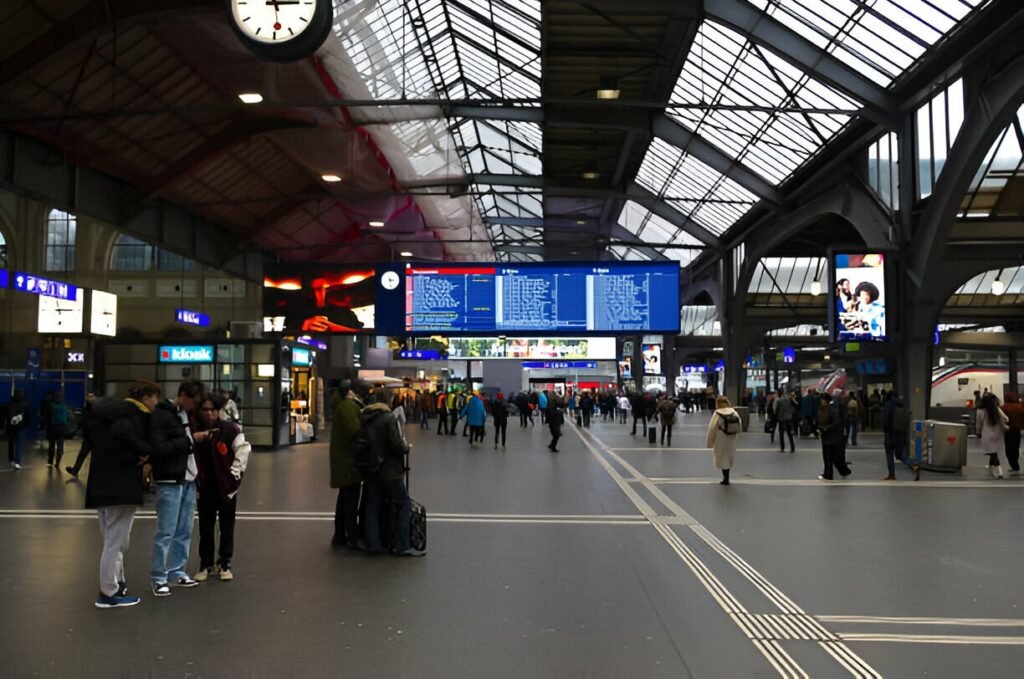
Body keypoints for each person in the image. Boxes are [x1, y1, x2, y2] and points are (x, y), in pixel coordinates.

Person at [87, 380, 160, 609]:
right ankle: (108, 592)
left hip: (100, 485)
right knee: (115, 543)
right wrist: (144, 452)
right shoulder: (132, 416)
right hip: (121, 486)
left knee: (113, 540)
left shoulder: (103, 414)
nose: (155, 403)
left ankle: (117, 583)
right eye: (155, 398)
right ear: (145, 398)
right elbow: (129, 440)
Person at [149, 379, 205, 597]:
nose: (194, 405)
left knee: (184, 529)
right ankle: (158, 576)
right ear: (182, 395)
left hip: (187, 478)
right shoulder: (162, 415)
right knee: (166, 530)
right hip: (170, 479)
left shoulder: (184, 415)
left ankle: (176, 570)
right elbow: (158, 448)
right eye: (192, 401)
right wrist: (187, 443)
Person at [193, 393, 251, 582]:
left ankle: (225, 562)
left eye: (212, 410)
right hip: (205, 486)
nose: (209, 414)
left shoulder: (230, 430)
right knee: (205, 527)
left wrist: (235, 473)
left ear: (218, 411)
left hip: (226, 486)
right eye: (205, 410)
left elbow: (243, 449)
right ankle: (206, 564)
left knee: (227, 526)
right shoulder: (195, 431)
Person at [360, 391, 424, 556]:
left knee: (372, 506)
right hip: (390, 470)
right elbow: (396, 445)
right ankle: (401, 545)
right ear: (387, 401)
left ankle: (373, 543)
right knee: (403, 503)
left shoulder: (366, 418)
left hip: (373, 468)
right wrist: (405, 447)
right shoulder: (388, 418)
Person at [330, 380, 365, 549]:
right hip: (349, 462)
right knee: (350, 501)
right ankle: (351, 535)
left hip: (342, 461)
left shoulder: (343, 405)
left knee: (344, 499)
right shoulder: (348, 407)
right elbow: (355, 432)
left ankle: (340, 535)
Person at [817, 394, 851, 481]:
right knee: (827, 457)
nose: (822, 401)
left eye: (823, 400)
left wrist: (826, 428)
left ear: (827, 401)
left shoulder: (832, 410)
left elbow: (836, 423)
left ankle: (843, 471)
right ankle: (828, 474)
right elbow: (818, 421)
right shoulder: (821, 410)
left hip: (834, 437)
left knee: (835, 458)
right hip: (825, 436)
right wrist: (820, 428)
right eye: (821, 399)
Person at [707, 396, 740, 485]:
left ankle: (725, 478)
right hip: (731, 437)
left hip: (721, 437)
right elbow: (739, 425)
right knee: (729, 456)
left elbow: (712, 428)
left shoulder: (717, 413)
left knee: (721, 456)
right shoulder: (734, 412)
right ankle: (727, 476)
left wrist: (710, 442)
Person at [977, 394, 1010, 479]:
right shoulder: (997, 409)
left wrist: (978, 433)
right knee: (996, 453)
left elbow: (979, 424)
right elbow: (1006, 419)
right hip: (998, 434)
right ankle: (998, 471)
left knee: (993, 454)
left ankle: (994, 470)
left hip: (986, 434)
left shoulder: (980, 411)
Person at [66, 392, 97, 478]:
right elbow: (83, 421)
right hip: (88, 435)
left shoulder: (97, 409)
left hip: (95, 435)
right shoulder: (87, 409)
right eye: (89, 396)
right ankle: (75, 470)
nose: (90, 398)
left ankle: (77, 470)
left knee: (93, 455)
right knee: (82, 454)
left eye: (91, 396)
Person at [882, 391, 908, 480]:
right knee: (900, 454)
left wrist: (885, 430)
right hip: (900, 433)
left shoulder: (888, 404)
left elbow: (886, 420)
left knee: (889, 454)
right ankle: (913, 466)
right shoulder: (901, 405)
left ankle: (891, 474)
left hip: (890, 433)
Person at [1002, 392, 1023, 475]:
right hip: (1017, 429)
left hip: (1008, 430)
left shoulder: (1003, 407)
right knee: (1016, 447)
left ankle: (1014, 465)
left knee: (1009, 448)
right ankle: (1015, 465)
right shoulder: (1020, 406)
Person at [47, 391, 69, 469]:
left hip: (53, 427)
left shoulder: (51, 405)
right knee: (60, 444)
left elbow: (47, 417)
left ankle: (50, 462)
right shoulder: (64, 405)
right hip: (62, 427)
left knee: (52, 445)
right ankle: (58, 462)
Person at [6, 389, 26, 470]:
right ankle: (17, 462)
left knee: (11, 444)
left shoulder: (10, 404)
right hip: (19, 428)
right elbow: (21, 416)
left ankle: (11, 460)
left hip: (10, 428)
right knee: (19, 445)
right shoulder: (20, 405)